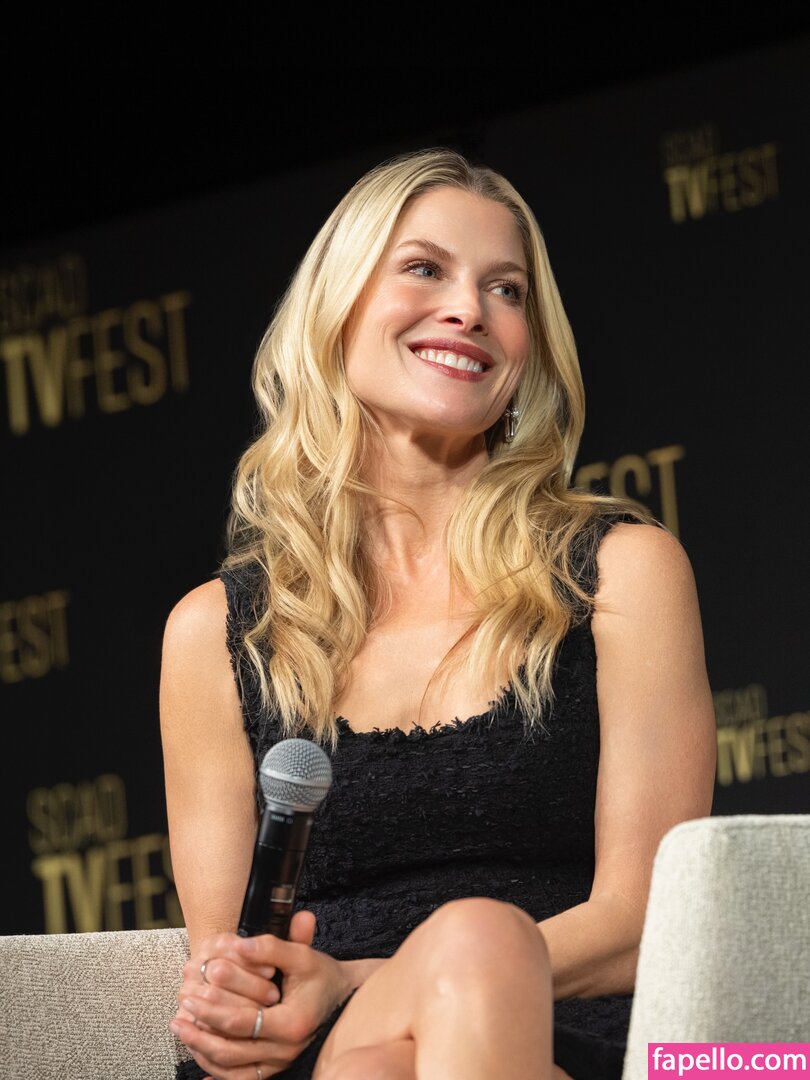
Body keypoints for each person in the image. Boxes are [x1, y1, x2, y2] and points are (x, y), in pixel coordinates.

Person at [159, 146, 717, 1080]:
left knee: (464, 962)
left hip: (560, 1030)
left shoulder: (620, 573)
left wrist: (371, 978)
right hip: (313, 1054)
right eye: (423, 268)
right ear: (337, 307)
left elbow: (645, 916)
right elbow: (235, 974)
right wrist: (257, 1009)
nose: (469, 309)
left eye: (506, 290)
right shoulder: (216, 635)